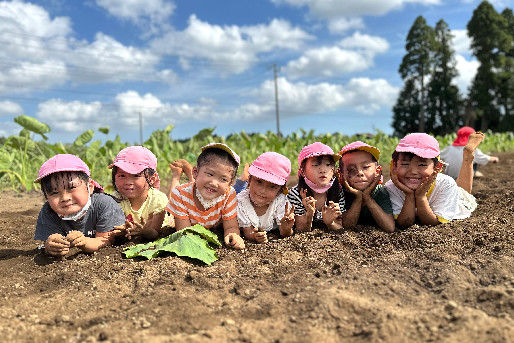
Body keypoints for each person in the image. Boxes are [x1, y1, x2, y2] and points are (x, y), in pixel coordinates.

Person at [34, 154, 125, 256]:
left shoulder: (104, 204)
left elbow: (106, 240)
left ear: (89, 187)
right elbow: (50, 240)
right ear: (46, 197)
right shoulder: (48, 211)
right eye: (54, 193)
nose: (65, 198)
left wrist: (84, 242)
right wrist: (51, 246)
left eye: (71, 188)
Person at [385, 132, 481, 228]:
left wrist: (421, 196)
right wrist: (409, 195)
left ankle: (468, 158)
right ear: (394, 165)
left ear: (437, 167)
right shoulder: (390, 187)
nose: (413, 172)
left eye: (422, 165)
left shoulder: (446, 184)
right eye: (405, 164)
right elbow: (404, 223)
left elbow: (432, 222)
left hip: (458, 200)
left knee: (464, 192)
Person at [167, 143, 245, 250]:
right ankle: (177, 177)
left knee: (201, 185)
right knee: (177, 193)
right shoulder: (180, 194)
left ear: (230, 183)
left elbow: (231, 226)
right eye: (210, 174)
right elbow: (184, 232)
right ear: (196, 172)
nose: (214, 183)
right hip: (181, 216)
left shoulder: (228, 194)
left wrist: (233, 235)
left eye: (223, 179)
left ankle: (191, 176)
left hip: (211, 220)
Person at [109, 146, 169, 241]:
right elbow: (112, 231)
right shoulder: (113, 200)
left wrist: (145, 231)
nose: (128, 182)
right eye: (122, 175)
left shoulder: (157, 200)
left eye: (136, 175)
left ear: (152, 179)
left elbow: (155, 234)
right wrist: (120, 232)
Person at [237, 152, 295, 243]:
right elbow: (247, 232)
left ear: (280, 190)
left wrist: (286, 228)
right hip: (240, 192)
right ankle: (242, 180)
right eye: (259, 181)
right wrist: (255, 236)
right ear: (250, 179)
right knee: (234, 191)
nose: (263, 190)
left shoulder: (280, 201)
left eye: (272, 186)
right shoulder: (240, 201)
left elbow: (285, 233)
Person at [287, 142, 345, 231]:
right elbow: (301, 230)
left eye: (328, 164)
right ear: (303, 171)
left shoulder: (338, 191)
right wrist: (310, 215)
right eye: (316, 165)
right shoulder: (296, 194)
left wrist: (330, 223)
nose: (323, 170)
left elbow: (340, 227)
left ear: (333, 169)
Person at [338, 141, 395, 232]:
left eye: (365, 167)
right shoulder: (340, 193)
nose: (359, 173)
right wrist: (358, 198)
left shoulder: (380, 192)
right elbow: (347, 226)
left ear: (377, 171)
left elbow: (390, 227)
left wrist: (367, 198)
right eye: (351, 169)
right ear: (341, 175)